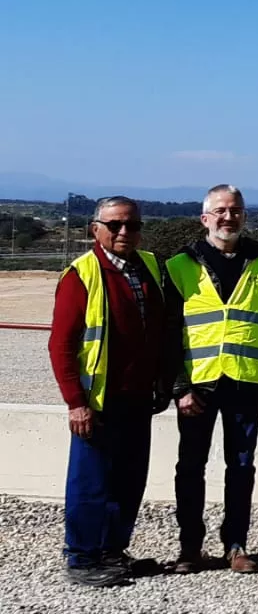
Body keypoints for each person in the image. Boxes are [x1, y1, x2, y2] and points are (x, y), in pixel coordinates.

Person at [163, 185, 258, 575]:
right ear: (205, 218)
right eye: (220, 211)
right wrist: (179, 387)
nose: (228, 217)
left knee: (241, 466)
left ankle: (236, 546)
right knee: (190, 467)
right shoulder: (180, 264)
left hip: (246, 380)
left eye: (235, 210)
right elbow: (168, 332)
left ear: (244, 216)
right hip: (198, 384)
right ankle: (190, 548)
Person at [47, 197, 171, 588]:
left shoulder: (150, 267)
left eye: (132, 225)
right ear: (95, 229)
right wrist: (76, 403)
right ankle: (82, 558)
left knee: (129, 480)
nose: (124, 232)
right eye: (114, 225)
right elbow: (61, 345)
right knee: (91, 482)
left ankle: (113, 552)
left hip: (138, 397)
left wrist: (163, 382)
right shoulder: (81, 275)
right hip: (98, 400)